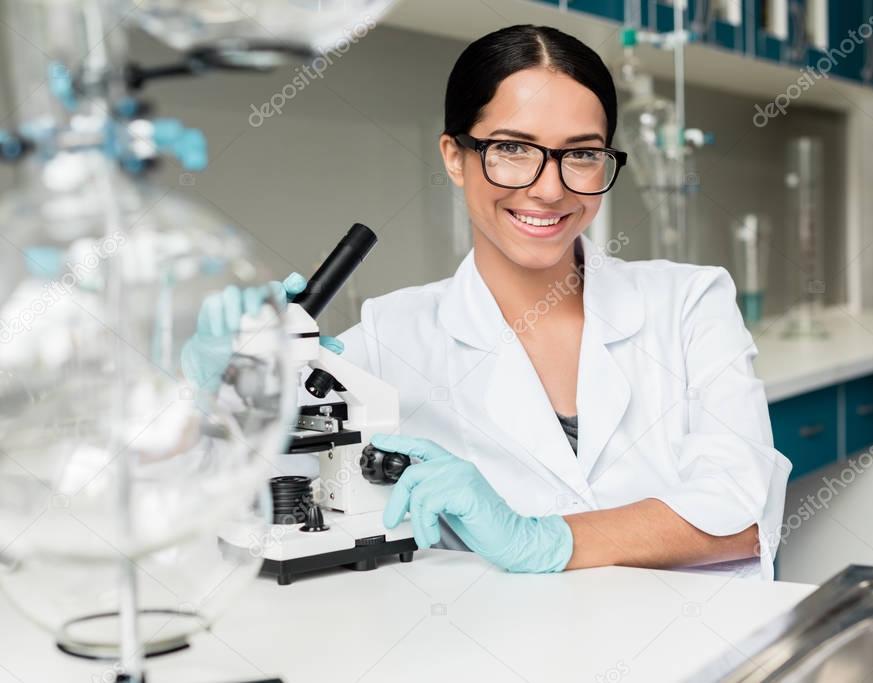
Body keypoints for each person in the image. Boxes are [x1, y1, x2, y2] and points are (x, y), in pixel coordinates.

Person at [187, 24, 792, 580]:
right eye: (512, 149)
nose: (550, 188)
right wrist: (220, 390)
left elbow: (743, 516)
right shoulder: (390, 336)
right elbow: (234, 498)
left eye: (581, 153)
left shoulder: (688, 303)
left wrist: (543, 540)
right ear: (455, 156)